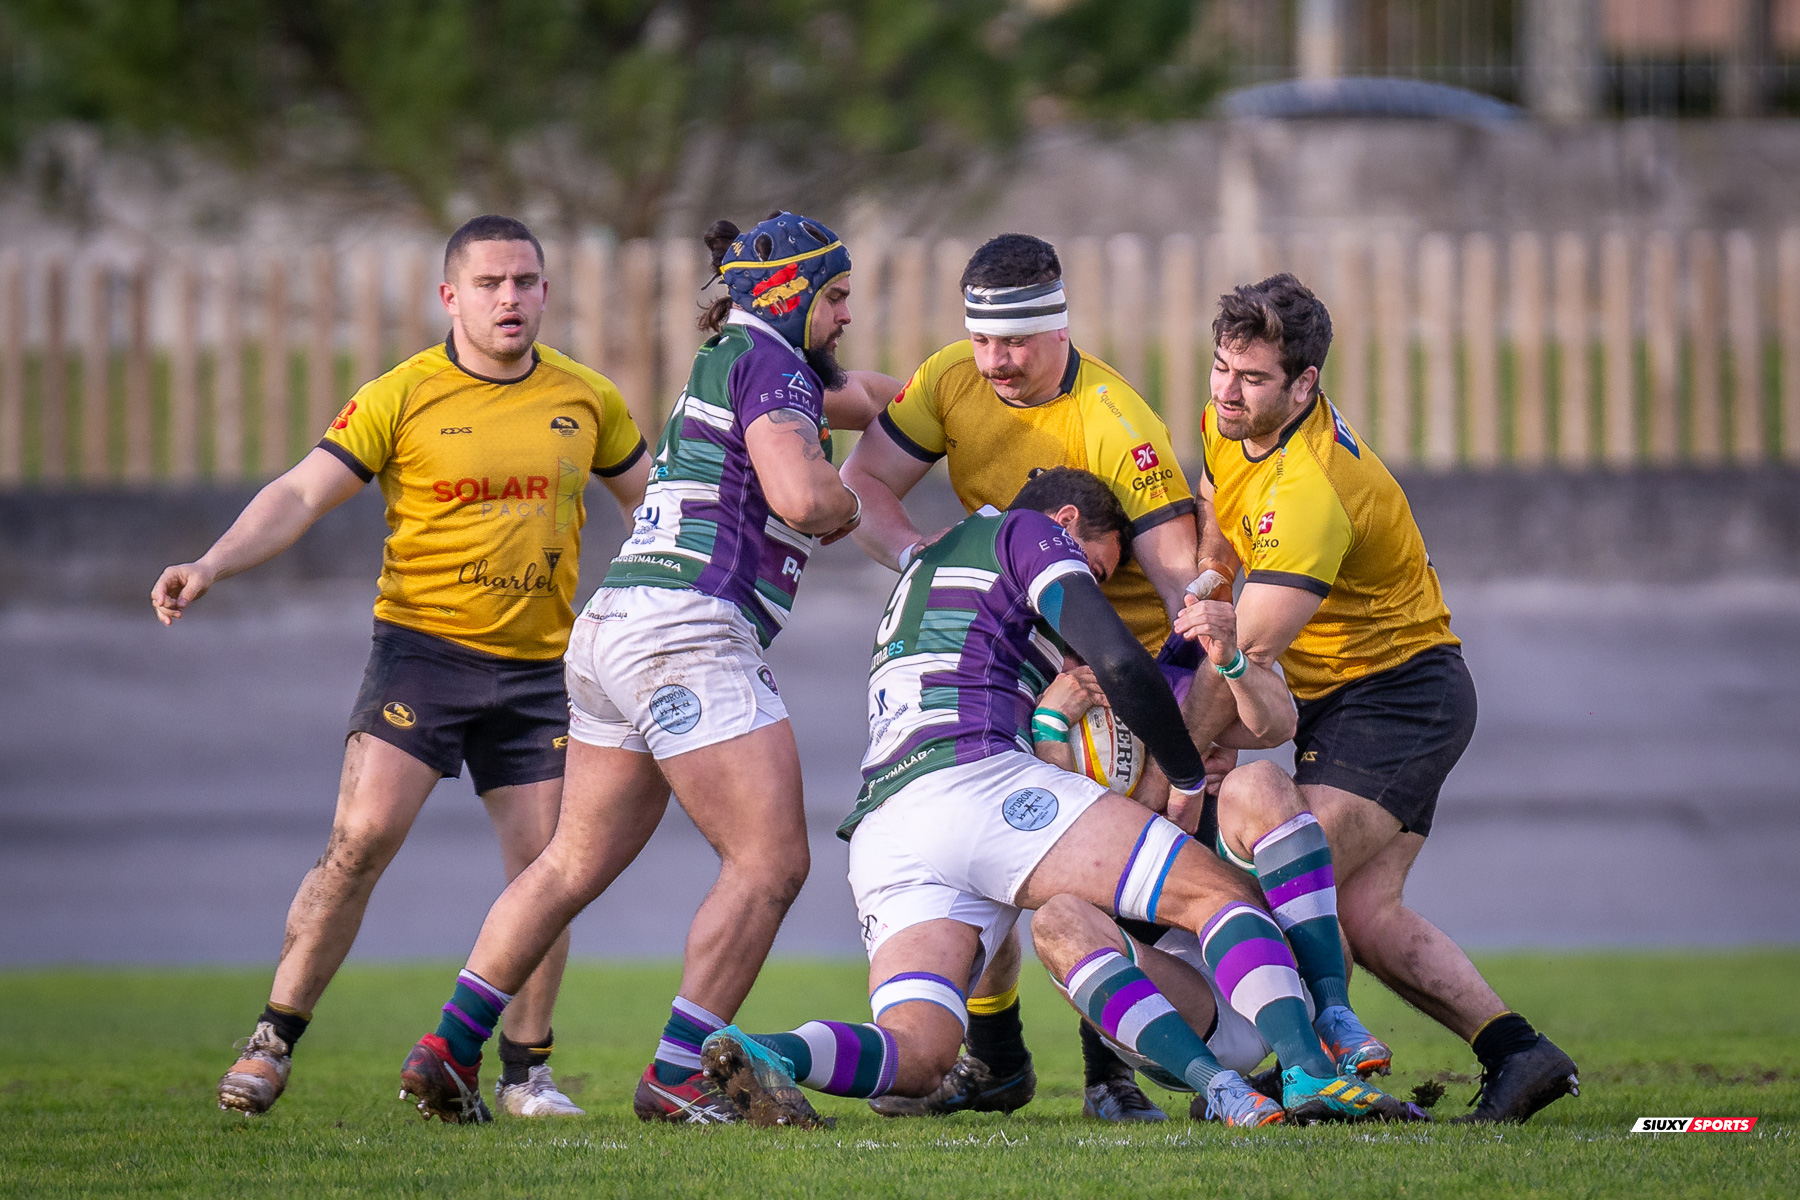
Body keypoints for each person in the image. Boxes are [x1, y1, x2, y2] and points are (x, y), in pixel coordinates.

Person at [688, 469, 1420, 1129]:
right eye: (1096, 568)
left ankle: (769, 1051)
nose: (1096, 587)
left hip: (887, 824)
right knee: (1215, 891)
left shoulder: (929, 566)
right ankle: (1312, 1072)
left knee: (921, 1052)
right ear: (1068, 526)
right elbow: (1116, 658)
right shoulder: (1027, 531)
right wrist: (1187, 776)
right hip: (974, 781)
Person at [152, 215, 651, 1119]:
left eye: (528, 282)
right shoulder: (403, 395)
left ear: (545, 291)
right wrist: (212, 563)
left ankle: (524, 1074)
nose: (512, 299)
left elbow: (655, 509)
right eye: (492, 284)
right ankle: (273, 1039)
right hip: (423, 655)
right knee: (360, 842)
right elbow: (303, 490)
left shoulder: (589, 399)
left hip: (542, 670)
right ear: (450, 297)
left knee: (548, 869)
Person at [396, 211, 876, 1125]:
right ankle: (681, 1071)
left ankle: (450, 1047)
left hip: (614, 623)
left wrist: (949, 394)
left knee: (570, 859)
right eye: (840, 295)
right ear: (792, 293)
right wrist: (850, 502)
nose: (849, 314)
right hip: (689, 630)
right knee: (770, 861)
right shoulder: (775, 363)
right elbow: (801, 493)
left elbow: (866, 397)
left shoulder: (738, 353)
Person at [839, 232, 1235, 1121]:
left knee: (1090, 877)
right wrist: (927, 563)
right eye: (983, 340)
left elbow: (1181, 584)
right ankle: (999, 1055)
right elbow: (861, 483)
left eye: (1015, 341)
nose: (996, 362)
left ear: (1059, 329)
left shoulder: (1116, 424)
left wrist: (1188, 730)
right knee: (985, 862)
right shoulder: (949, 378)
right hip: (1001, 668)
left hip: (1111, 679)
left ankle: (1114, 1072)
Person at [1172, 272, 1580, 1123]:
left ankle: (1305, 1075)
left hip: (1400, 695)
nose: (1226, 392)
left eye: (1252, 379)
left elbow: (1240, 655)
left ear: (1306, 384)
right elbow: (1217, 502)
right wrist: (1212, 573)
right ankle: (1519, 1054)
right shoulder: (1228, 420)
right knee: (1358, 909)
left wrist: (1172, 774)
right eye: (1220, 368)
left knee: (1284, 863)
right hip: (1357, 695)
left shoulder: (1311, 491)